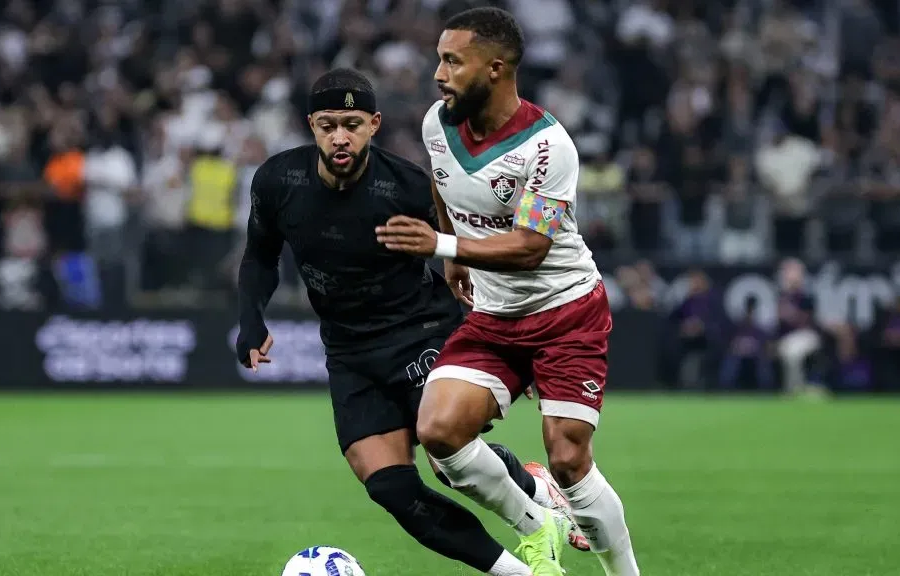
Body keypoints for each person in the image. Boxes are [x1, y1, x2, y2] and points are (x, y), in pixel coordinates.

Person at [236, 68, 585, 576]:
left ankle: (533, 501)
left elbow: (475, 251)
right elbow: (259, 257)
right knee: (390, 488)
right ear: (311, 125)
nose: (340, 136)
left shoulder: (406, 186)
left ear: (374, 124)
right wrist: (251, 319)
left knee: (447, 454)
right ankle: (522, 570)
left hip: (420, 330)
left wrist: (509, 339)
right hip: (349, 351)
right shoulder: (277, 180)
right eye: (328, 124)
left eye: (352, 123)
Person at [376, 8, 640, 576]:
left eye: (453, 61)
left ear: (495, 69)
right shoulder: (437, 124)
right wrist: (451, 244)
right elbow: (442, 183)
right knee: (439, 432)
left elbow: (529, 248)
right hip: (494, 314)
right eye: (438, 59)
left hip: (565, 310)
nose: (439, 74)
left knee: (569, 459)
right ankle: (537, 520)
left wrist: (441, 249)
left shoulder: (548, 147)